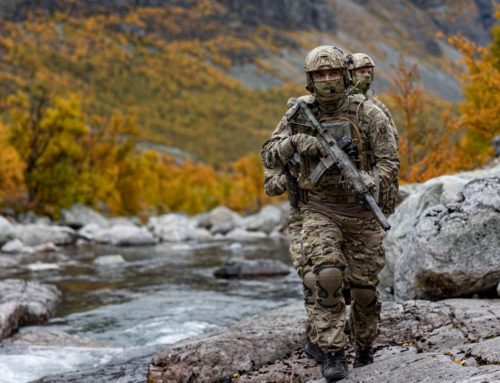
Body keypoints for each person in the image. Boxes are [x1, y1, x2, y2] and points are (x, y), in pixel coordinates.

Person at [260, 45, 399, 382]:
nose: (326, 80)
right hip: (319, 208)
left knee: (364, 291)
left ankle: (364, 345)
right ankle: (333, 353)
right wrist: (294, 145)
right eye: (319, 75)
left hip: (361, 212)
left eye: (332, 73)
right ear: (310, 79)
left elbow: (389, 163)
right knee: (327, 276)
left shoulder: (368, 113)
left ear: (344, 74)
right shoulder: (297, 114)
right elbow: (268, 156)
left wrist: (368, 179)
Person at [350, 53, 399, 148]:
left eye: (369, 72)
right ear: (350, 74)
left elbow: (394, 140)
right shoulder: (341, 103)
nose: (367, 75)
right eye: (362, 72)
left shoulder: (378, 106)